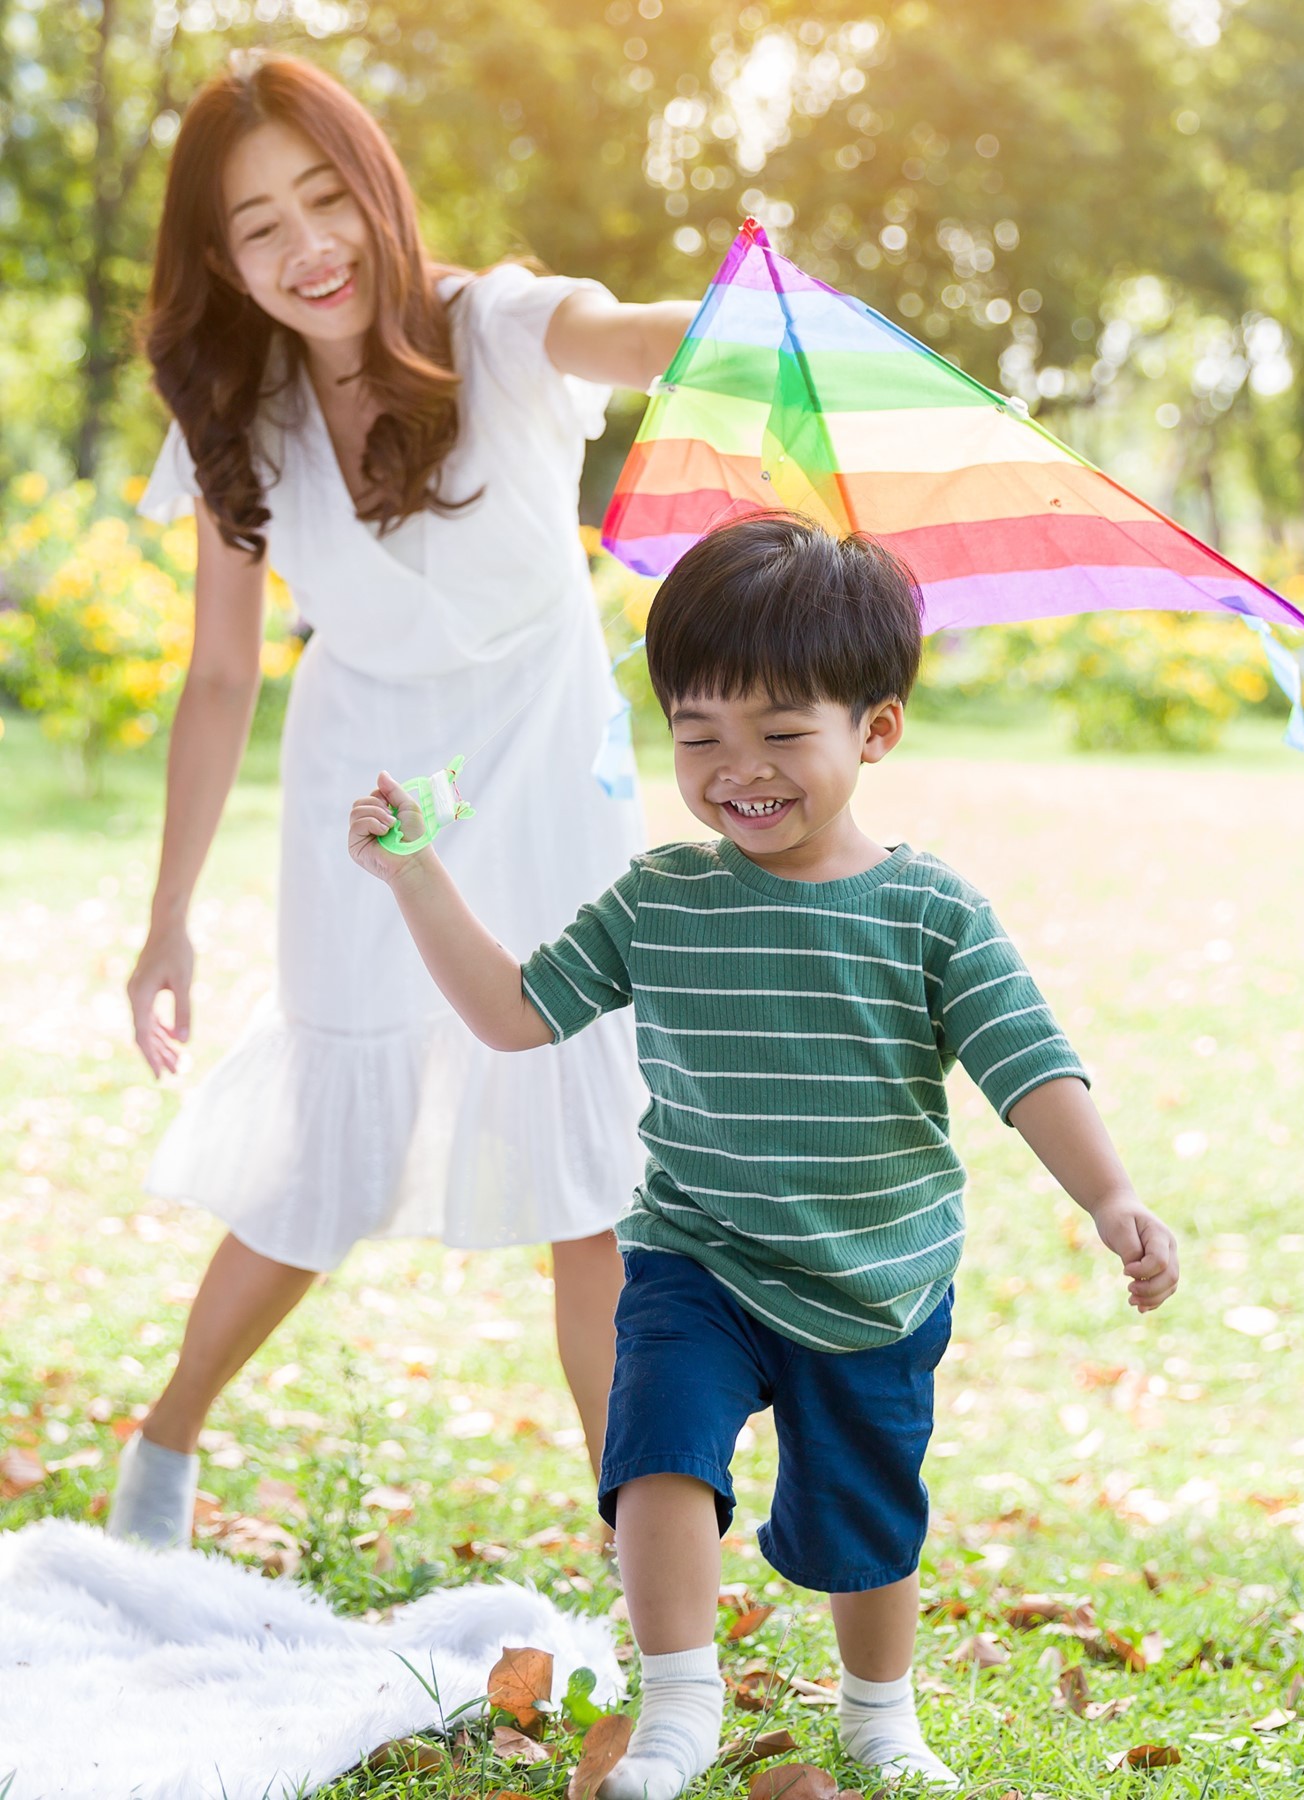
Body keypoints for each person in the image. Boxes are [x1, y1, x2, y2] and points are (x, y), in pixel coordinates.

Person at [347, 511, 1182, 1793]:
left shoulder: (928, 909)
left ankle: (880, 1714)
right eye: (699, 735)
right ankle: (680, 1703)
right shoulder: (663, 898)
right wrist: (417, 880)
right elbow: (517, 1013)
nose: (740, 768)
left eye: (784, 733)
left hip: (875, 1275)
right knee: (657, 1462)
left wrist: (1113, 1194)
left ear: (876, 730)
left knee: (866, 1520)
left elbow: (1028, 1063)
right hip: (700, 1256)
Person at [109, 50, 697, 1548]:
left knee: (590, 1186)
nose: (305, 245)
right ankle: (162, 1449)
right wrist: (167, 919)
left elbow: (635, 337)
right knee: (328, 1155)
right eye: (256, 226)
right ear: (221, 260)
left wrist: (746, 321)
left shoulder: (498, 327)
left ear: (374, 189)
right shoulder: (239, 416)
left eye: (324, 197)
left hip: (546, 769)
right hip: (369, 799)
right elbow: (222, 678)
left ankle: (642, 1558)